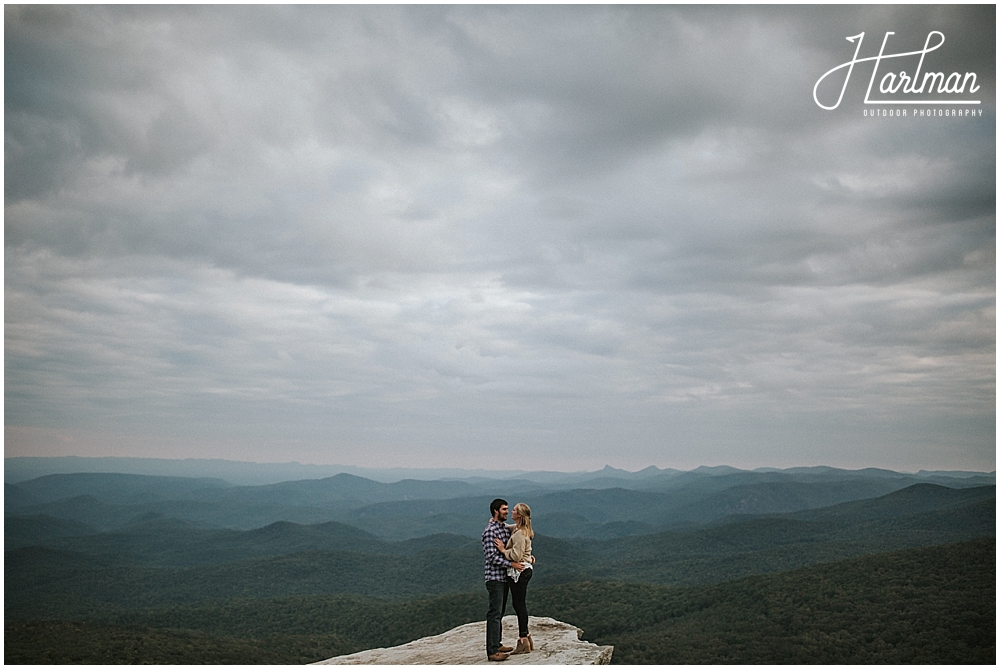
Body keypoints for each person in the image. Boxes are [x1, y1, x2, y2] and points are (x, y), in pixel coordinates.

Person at [483, 498, 525, 662]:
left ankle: (497, 643)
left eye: (508, 509)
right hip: (494, 578)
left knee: (499, 613)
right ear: (495, 511)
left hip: (504, 577)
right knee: (494, 613)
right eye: (504, 509)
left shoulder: (504, 529)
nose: (507, 512)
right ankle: (492, 651)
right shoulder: (490, 532)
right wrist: (512, 564)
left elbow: (517, 543)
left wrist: (526, 557)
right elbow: (491, 557)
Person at [494, 502, 534, 655]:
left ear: (520, 515)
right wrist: (495, 522)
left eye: (515, 510)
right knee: (520, 603)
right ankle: (527, 637)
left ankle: (523, 640)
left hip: (519, 571)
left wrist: (504, 550)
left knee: (519, 604)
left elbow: (516, 556)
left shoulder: (518, 534)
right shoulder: (521, 529)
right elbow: (510, 528)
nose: (512, 511)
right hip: (525, 569)